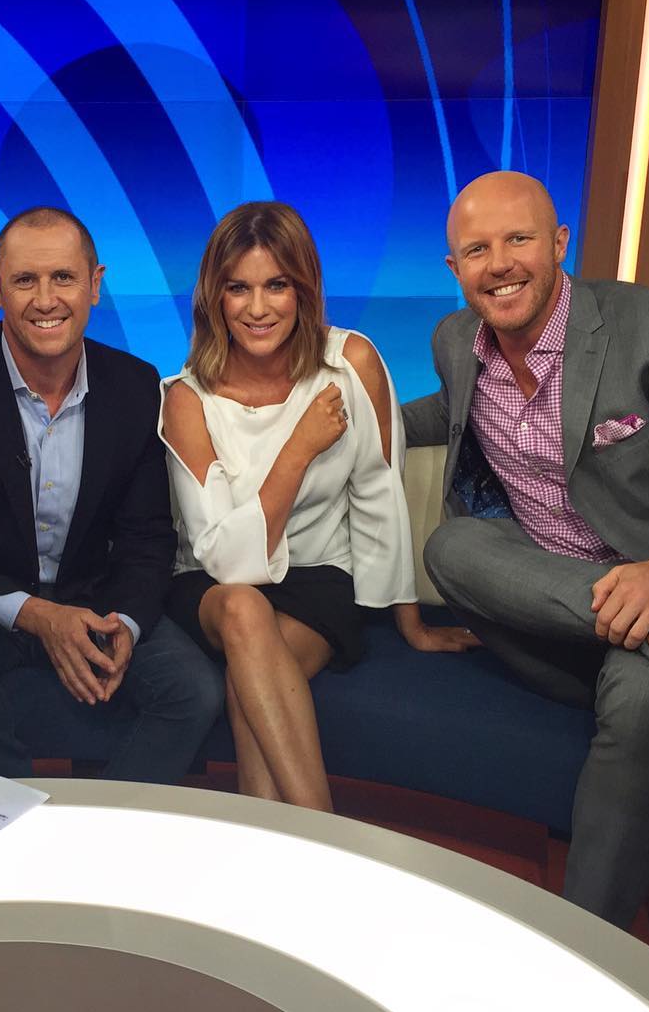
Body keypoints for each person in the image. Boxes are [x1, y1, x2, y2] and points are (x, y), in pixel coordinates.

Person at [402, 170, 649, 927]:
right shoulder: (456, 341)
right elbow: (444, 411)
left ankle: (584, 949)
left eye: (518, 239)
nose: (499, 264)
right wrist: (326, 411)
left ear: (559, 243)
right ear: (455, 268)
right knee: (454, 546)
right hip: (563, 614)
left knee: (644, 695)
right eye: (476, 250)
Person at [0, 207, 223, 783]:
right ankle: (9, 818)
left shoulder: (135, 386)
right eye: (24, 280)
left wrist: (126, 624)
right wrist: (38, 616)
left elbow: (146, 538)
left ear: (95, 284)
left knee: (193, 690)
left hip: (90, 598)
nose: (45, 300)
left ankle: (104, 828)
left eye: (63, 277)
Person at [160, 201, 477, 813]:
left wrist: (410, 624)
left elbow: (379, 493)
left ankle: (278, 844)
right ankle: (327, 830)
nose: (258, 308)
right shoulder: (186, 399)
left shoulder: (351, 362)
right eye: (238, 288)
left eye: (277, 285)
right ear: (214, 297)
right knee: (245, 608)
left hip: (318, 578)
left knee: (250, 685)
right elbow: (227, 561)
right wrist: (298, 450)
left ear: (304, 288)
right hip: (213, 587)